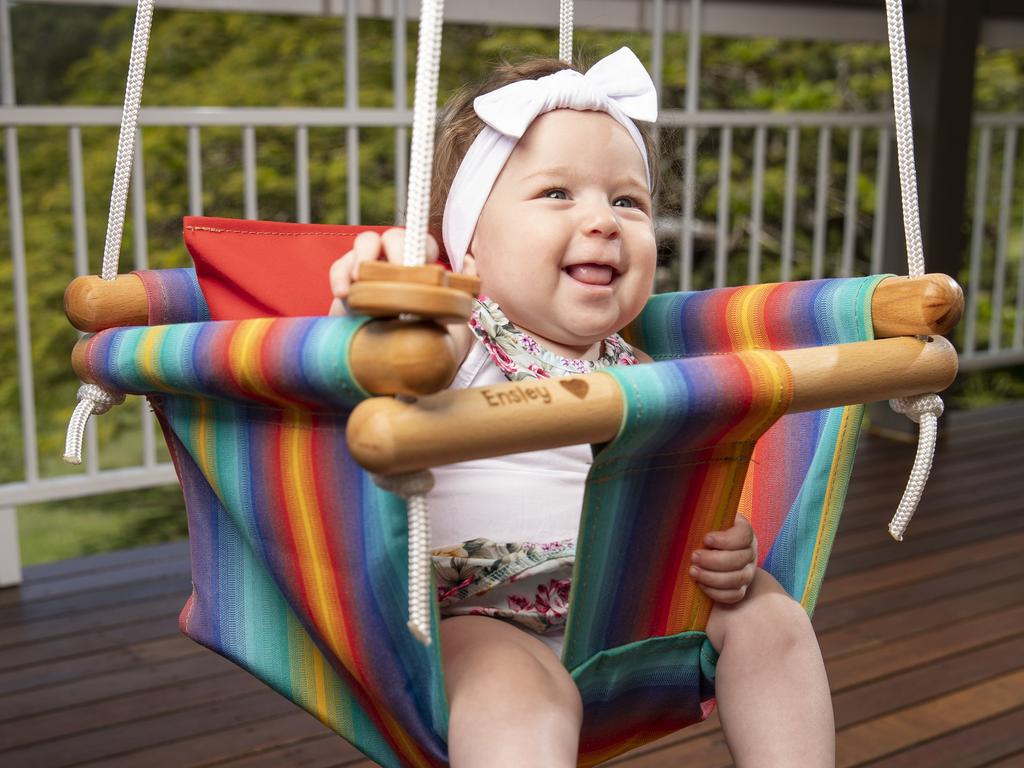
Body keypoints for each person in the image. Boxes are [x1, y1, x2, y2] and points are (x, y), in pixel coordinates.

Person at [329, 47, 834, 768]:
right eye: (558, 194)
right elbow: (395, 354)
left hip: (625, 606)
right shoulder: (463, 342)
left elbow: (688, 497)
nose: (602, 220)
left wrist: (734, 545)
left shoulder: (647, 377)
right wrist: (393, 294)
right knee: (520, 698)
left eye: (627, 200)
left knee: (769, 613)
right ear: (467, 249)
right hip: (476, 612)